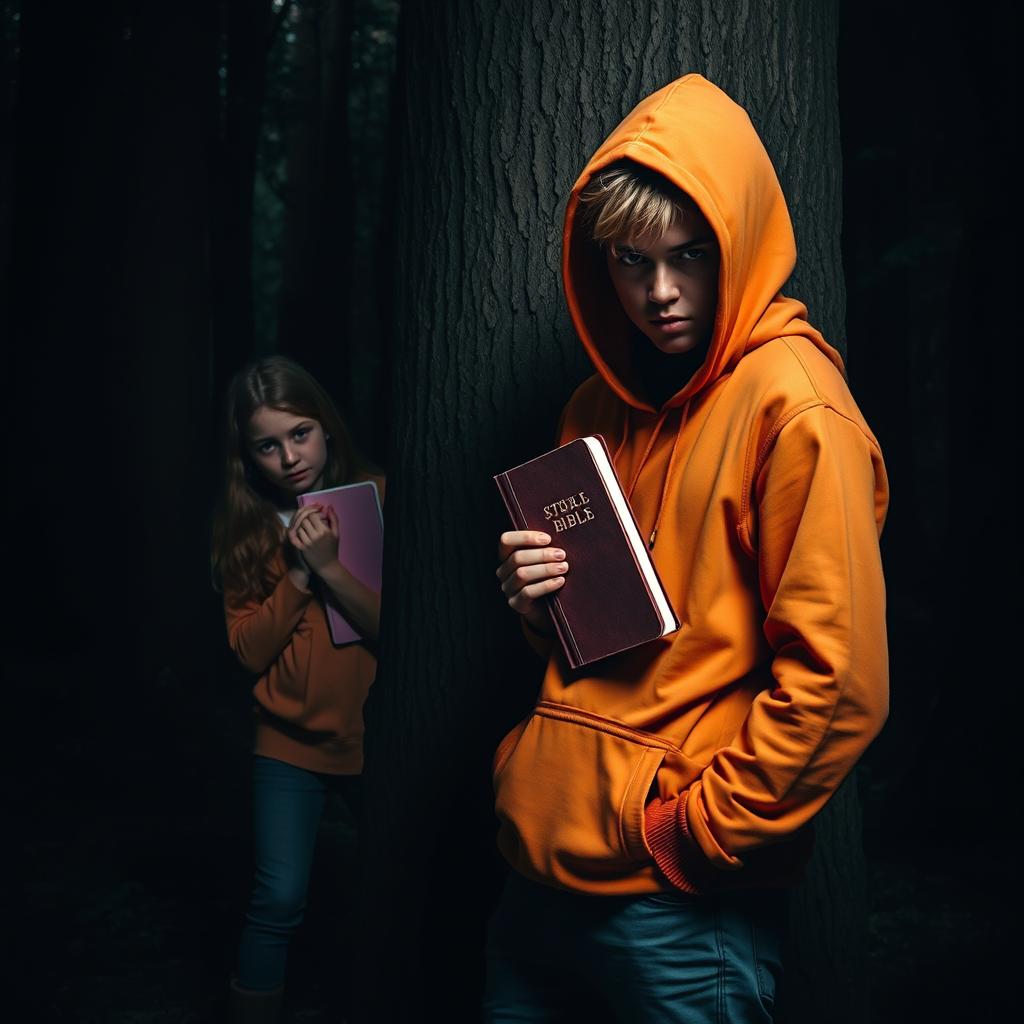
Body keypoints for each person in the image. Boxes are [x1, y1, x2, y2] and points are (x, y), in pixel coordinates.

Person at [488, 74, 889, 1022]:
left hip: (675, 903)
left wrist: (690, 839)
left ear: (736, 245)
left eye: (689, 256)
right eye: (631, 260)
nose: (658, 292)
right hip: (535, 874)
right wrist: (537, 605)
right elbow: (609, 650)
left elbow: (839, 683)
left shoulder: (798, 409)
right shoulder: (593, 407)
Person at [210, 356, 384, 1022]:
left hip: (379, 735)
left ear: (327, 429)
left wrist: (330, 566)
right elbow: (248, 651)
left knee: (402, 883)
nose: (289, 457)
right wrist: (300, 577)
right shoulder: (245, 531)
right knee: (278, 898)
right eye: (267, 445)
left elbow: (393, 627)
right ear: (249, 457)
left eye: (300, 434)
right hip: (286, 743)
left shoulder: (380, 497)